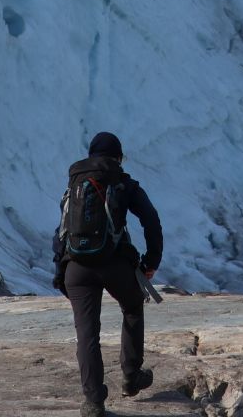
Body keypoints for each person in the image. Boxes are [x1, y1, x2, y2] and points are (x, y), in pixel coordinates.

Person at [53, 132, 164, 417]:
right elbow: (151, 220)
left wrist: (60, 269)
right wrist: (151, 262)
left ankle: (93, 402)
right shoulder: (123, 183)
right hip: (114, 264)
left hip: (76, 267)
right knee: (132, 307)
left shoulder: (74, 184)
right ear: (118, 157)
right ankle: (131, 375)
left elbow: (62, 230)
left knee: (87, 333)